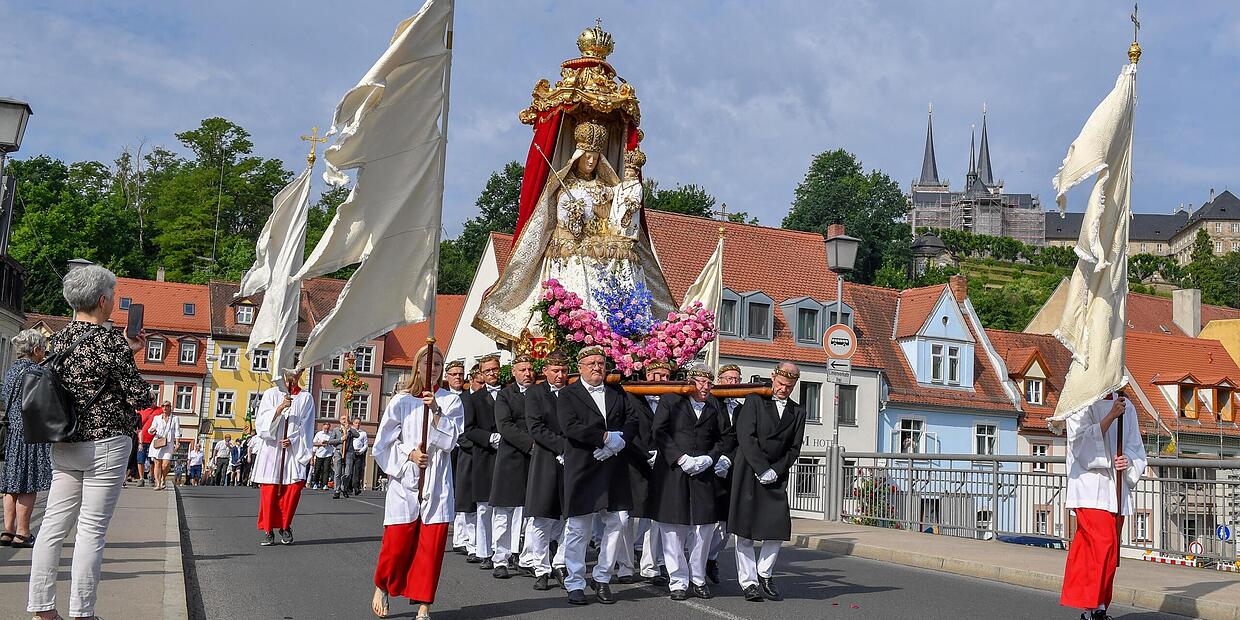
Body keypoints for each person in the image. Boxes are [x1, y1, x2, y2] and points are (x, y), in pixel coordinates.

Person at [28, 264, 153, 620]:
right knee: (91, 530)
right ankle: (82, 613)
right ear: (102, 300)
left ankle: (41, 608)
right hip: (105, 443)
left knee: (52, 525)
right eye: (112, 296)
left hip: (64, 440)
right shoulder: (111, 341)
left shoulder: (60, 338)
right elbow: (138, 395)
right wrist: (129, 356)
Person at [371, 346, 462, 620]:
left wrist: (436, 411)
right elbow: (382, 444)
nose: (432, 368)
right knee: (397, 543)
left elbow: (450, 441)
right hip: (406, 478)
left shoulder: (451, 401)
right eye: (428, 362)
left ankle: (424, 604)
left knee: (431, 547)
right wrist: (409, 454)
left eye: (438, 363)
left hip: (436, 482)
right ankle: (382, 586)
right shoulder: (401, 401)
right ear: (416, 366)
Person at [557, 346, 637, 606]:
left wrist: (619, 441)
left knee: (619, 521)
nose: (596, 368)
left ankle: (602, 577)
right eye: (591, 363)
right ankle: (575, 581)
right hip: (584, 466)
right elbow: (570, 426)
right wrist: (603, 438)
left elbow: (632, 419)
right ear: (579, 367)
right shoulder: (569, 394)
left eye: (601, 363)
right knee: (580, 527)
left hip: (613, 466)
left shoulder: (616, 391)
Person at [1060, 392, 1147, 620]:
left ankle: (1098, 607)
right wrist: (1110, 416)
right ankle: (1090, 608)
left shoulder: (1126, 404)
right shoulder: (1079, 402)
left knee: (1109, 553)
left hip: (1116, 491)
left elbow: (1135, 447)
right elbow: (1080, 446)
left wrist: (1127, 460)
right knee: (1103, 545)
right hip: (1089, 489)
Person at [729, 362, 808, 603]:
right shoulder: (755, 400)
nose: (784, 389)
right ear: (773, 378)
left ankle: (764, 573)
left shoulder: (798, 411)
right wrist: (761, 468)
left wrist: (776, 470)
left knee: (776, 528)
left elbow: (794, 447)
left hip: (776, 475)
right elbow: (745, 436)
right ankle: (748, 582)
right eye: (781, 384)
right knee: (745, 531)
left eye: (789, 386)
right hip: (749, 470)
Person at [652, 363, 725, 600]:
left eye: (709, 382)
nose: (706, 387)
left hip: (703, 473)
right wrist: (680, 458)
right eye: (701, 382)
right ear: (690, 381)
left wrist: (709, 458)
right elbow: (659, 432)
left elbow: (723, 437)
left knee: (704, 528)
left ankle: (698, 578)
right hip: (674, 472)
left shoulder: (714, 405)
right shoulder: (671, 400)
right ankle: (678, 581)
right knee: (673, 529)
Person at [621, 360, 672, 587]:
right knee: (625, 518)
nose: (660, 380)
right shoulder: (631, 397)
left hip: (661, 464)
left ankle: (651, 566)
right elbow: (626, 430)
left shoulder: (672, 400)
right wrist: (644, 453)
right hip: (633, 461)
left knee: (656, 518)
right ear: (646, 374)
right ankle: (625, 565)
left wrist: (664, 454)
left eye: (664, 375)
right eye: (656, 374)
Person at [523, 350, 570, 591]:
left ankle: (560, 563)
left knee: (568, 518)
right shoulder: (534, 393)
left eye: (563, 371)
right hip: (545, 460)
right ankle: (541, 568)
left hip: (572, 461)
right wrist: (562, 446)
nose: (560, 375)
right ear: (545, 371)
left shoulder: (574, 393)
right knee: (542, 517)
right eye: (556, 371)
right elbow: (535, 427)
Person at [253, 367, 316, 546]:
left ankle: (286, 525)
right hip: (272, 450)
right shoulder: (271, 394)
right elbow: (261, 424)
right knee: (270, 492)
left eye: (297, 373)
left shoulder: (306, 398)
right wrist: (280, 409)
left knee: (293, 489)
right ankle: (268, 529)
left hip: (293, 451)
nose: (292, 378)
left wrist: (294, 439)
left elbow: (307, 425)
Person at [1, 330, 52, 549]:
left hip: (12, 433)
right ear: (35, 349)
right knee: (28, 486)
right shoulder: (36, 372)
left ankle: (7, 530)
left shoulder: (11, 371)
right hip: (31, 434)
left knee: (11, 485)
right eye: (42, 347)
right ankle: (23, 532)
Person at [490, 353, 537, 579]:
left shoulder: (539, 394)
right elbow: (505, 425)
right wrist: (531, 444)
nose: (527, 373)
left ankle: (526, 557)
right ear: (514, 372)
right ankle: (500, 558)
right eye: (523, 370)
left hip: (535, 459)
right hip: (511, 457)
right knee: (504, 512)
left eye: (530, 369)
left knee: (529, 512)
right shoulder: (505, 395)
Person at [462, 354, 501, 568]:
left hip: (507, 456)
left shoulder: (508, 394)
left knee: (505, 508)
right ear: (481, 374)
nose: (492, 374)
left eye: (495, 369)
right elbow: (468, 430)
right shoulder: (473, 399)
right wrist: (489, 438)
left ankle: (503, 552)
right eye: (487, 371)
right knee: (485, 507)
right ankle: (485, 552)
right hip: (484, 456)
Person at [706, 363, 743, 584]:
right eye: (728, 379)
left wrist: (730, 459)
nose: (732, 383)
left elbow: (743, 439)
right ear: (719, 380)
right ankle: (696, 562)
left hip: (730, 468)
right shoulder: (709, 404)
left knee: (726, 522)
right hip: (708, 465)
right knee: (703, 521)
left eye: (736, 379)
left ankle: (711, 557)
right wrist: (715, 458)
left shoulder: (740, 408)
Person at [444, 361, 476, 556]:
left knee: (462, 491)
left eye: (460, 374)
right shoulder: (441, 397)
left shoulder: (468, 398)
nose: (457, 377)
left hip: (463, 448)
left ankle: (461, 536)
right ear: (447, 376)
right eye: (454, 373)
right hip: (443, 450)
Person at [147, 397, 180, 490]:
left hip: (168, 443)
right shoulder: (157, 418)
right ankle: (158, 483)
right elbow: (150, 429)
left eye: (167, 406)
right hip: (158, 443)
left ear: (170, 407)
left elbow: (177, 431)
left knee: (165, 464)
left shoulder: (175, 418)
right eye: (163, 406)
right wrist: (152, 430)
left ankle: (163, 478)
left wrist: (177, 442)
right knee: (157, 463)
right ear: (161, 408)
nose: (165, 408)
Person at [329, 413, 359, 499]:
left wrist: (349, 428)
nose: (344, 420)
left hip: (349, 452)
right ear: (340, 420)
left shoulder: (350, 429)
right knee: (337, 473)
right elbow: (330, 441)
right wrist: (340, 439)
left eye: (346, 419)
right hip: (338, 451)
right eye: (343, 419)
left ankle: (343, 486)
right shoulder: (336, 430)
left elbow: (357, 435)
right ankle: (336, 490)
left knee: (348, 473)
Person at [132, 402, 161, 486]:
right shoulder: (141, 410)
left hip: (154, 440)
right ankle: (141, 478)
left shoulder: (159, 410)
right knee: (140, 459)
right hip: (141, 440)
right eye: (149, 400)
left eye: (152, 399)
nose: (151, 401)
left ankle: (151, 476)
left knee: (152, 460)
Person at [312, 422, 334, 489]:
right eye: (325, 428)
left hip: (328, 453)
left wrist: (328, 443)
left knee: (326, 470)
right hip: (319, 454)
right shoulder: (319, 434)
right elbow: (314, 443)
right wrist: (320, 444)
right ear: (323, 427)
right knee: (317, 469)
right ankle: (315, 483)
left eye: (327, 428)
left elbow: (333, 443)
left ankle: (325, 484)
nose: (326, 430)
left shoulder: (331, 434)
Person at [351, 417, 369, 495]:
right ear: (353, 423)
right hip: (350, 453)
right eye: (356, 423)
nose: (357, 425)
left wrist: (361, 451)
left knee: (357, 470)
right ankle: (348, 487)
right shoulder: (350, 431)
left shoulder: (363, 433)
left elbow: (366, 445)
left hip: (358, 453)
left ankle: (356, 487)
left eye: (359, 423)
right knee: (349, 470)